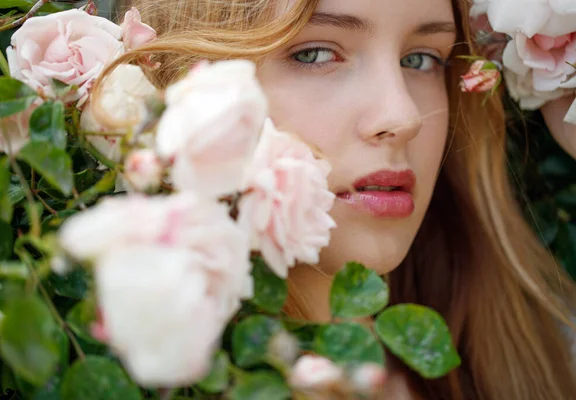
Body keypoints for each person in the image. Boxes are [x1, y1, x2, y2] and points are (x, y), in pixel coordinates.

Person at [99, 0, 576, 398]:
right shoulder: (94, 367)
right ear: (178, 81)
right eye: (314, 54)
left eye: (421, 59)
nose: (404, 115)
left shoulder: (538, 352)